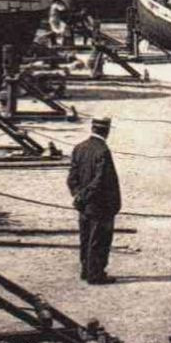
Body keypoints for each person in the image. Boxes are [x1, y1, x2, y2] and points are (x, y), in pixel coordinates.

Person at [67, 117, 121, 284]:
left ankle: (85, 269)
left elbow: (71, 178)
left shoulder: (79, 148)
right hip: (100, 204)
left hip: (84, 204)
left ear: (92, 128)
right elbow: (100, 179)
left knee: (85, 237)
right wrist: (86, 196)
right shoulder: (103, 151)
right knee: (99, 239)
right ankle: (96, 274)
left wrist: (78, 195)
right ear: (107, 131)